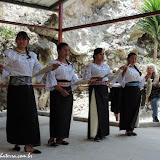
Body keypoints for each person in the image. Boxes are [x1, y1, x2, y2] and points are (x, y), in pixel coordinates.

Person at [0, 31, 59, 153]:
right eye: (19, 39)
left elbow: (38, 69)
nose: (21, 41)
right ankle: (16, 141)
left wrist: (50, 68)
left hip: (27, 89)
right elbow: (4, 69)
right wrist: (1, 69)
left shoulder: (32, 55)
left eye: (24, 39)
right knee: (15, 116)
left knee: (29, 117)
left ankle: (28, 145)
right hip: (15, 89)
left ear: (28, 41)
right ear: (16, 41)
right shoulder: (10, 54)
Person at [46, 42, 79, 146]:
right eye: (65, 50)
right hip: (57, 92)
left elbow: (73, 79)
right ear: (58, 51)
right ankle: (52, 138)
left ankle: (60, 137)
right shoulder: (53, 64)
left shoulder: (70, 65)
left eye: (68, 50)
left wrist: (80, 82)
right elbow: (51, 80)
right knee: (56, 115)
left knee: (65, 115)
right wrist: (61, 90)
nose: (67, 52)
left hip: (68, 91)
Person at [83, 48, 115, 142]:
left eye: (103, 54)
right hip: (95, 89)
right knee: (96, 110)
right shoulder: (90, 65)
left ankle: (103, 132)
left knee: (104, 110)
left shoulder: (106, 66)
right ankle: (95, 132)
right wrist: (96, 78)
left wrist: (119, 72)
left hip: (104, 89)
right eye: (101, 54)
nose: (103, 56)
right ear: (95, 55)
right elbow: (86, 78)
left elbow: (110, 78)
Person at [117, 52, 151, 136]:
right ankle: (127, 128)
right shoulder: (124, 68)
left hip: (136, 90)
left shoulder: (136, 69)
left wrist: (146, 76)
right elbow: (119, 79)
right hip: (128, 90)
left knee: (135, 109)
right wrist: (124, 72)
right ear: (128, 59)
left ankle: (131, 128)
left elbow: (139, 81)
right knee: (127, 109)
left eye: (135, 59)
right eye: (132, 58)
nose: (134, 60)